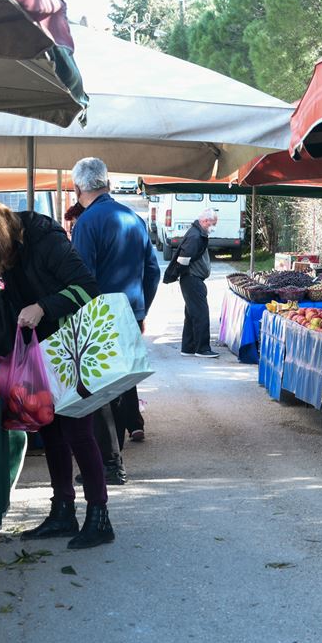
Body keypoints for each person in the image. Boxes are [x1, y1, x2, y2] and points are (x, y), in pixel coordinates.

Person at [0, 203, 113, 549]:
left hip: (72, 348)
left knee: (78, 430)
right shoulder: (11, 254)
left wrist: (44, 307)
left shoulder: (46, 240)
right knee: (51, 428)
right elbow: (10, 307)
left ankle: (99, 517)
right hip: (41, 353)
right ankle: (62, 511)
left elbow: (88, 288)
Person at [68, 157, 159, 482]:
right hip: (129, 315)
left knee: (99, 392)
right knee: (120, 387)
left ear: (78, 187)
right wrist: (141, 309)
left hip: (100, 318)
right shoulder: (133, 218)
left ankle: (110, 464)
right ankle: (112, 461)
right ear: (106, 183)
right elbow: (152, 270)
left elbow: (83, 281)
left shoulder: (87, 224)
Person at [170, 209, 218, 358]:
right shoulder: (195, 235)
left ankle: (188, 347)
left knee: (191, 313)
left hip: (191, 278)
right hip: (192, 279)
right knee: (201, 314)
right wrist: (184, 273)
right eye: (213, 224)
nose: (214, 227)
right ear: (205, 221)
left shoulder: (197, 233)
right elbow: (184, 258)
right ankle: (202, 349)